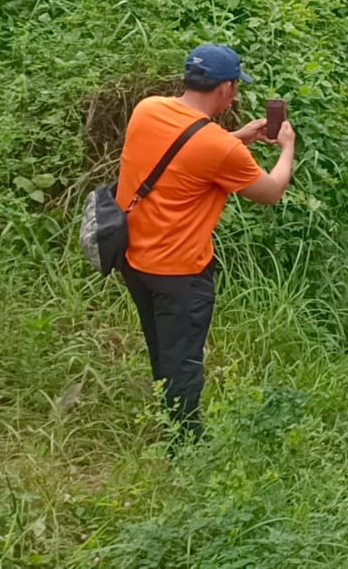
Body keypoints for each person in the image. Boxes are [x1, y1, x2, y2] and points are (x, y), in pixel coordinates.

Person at [117, 44, 296, 440]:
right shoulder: (220, 147)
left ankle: (170, 419)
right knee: (184, 360)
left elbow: (184, 153)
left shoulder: (148, 109)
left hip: (134, 259)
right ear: (226, 89)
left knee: (163, 349)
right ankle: (186, 443)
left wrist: (238, 137)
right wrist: (287, 148)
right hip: (180, 271)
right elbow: (270, 191)